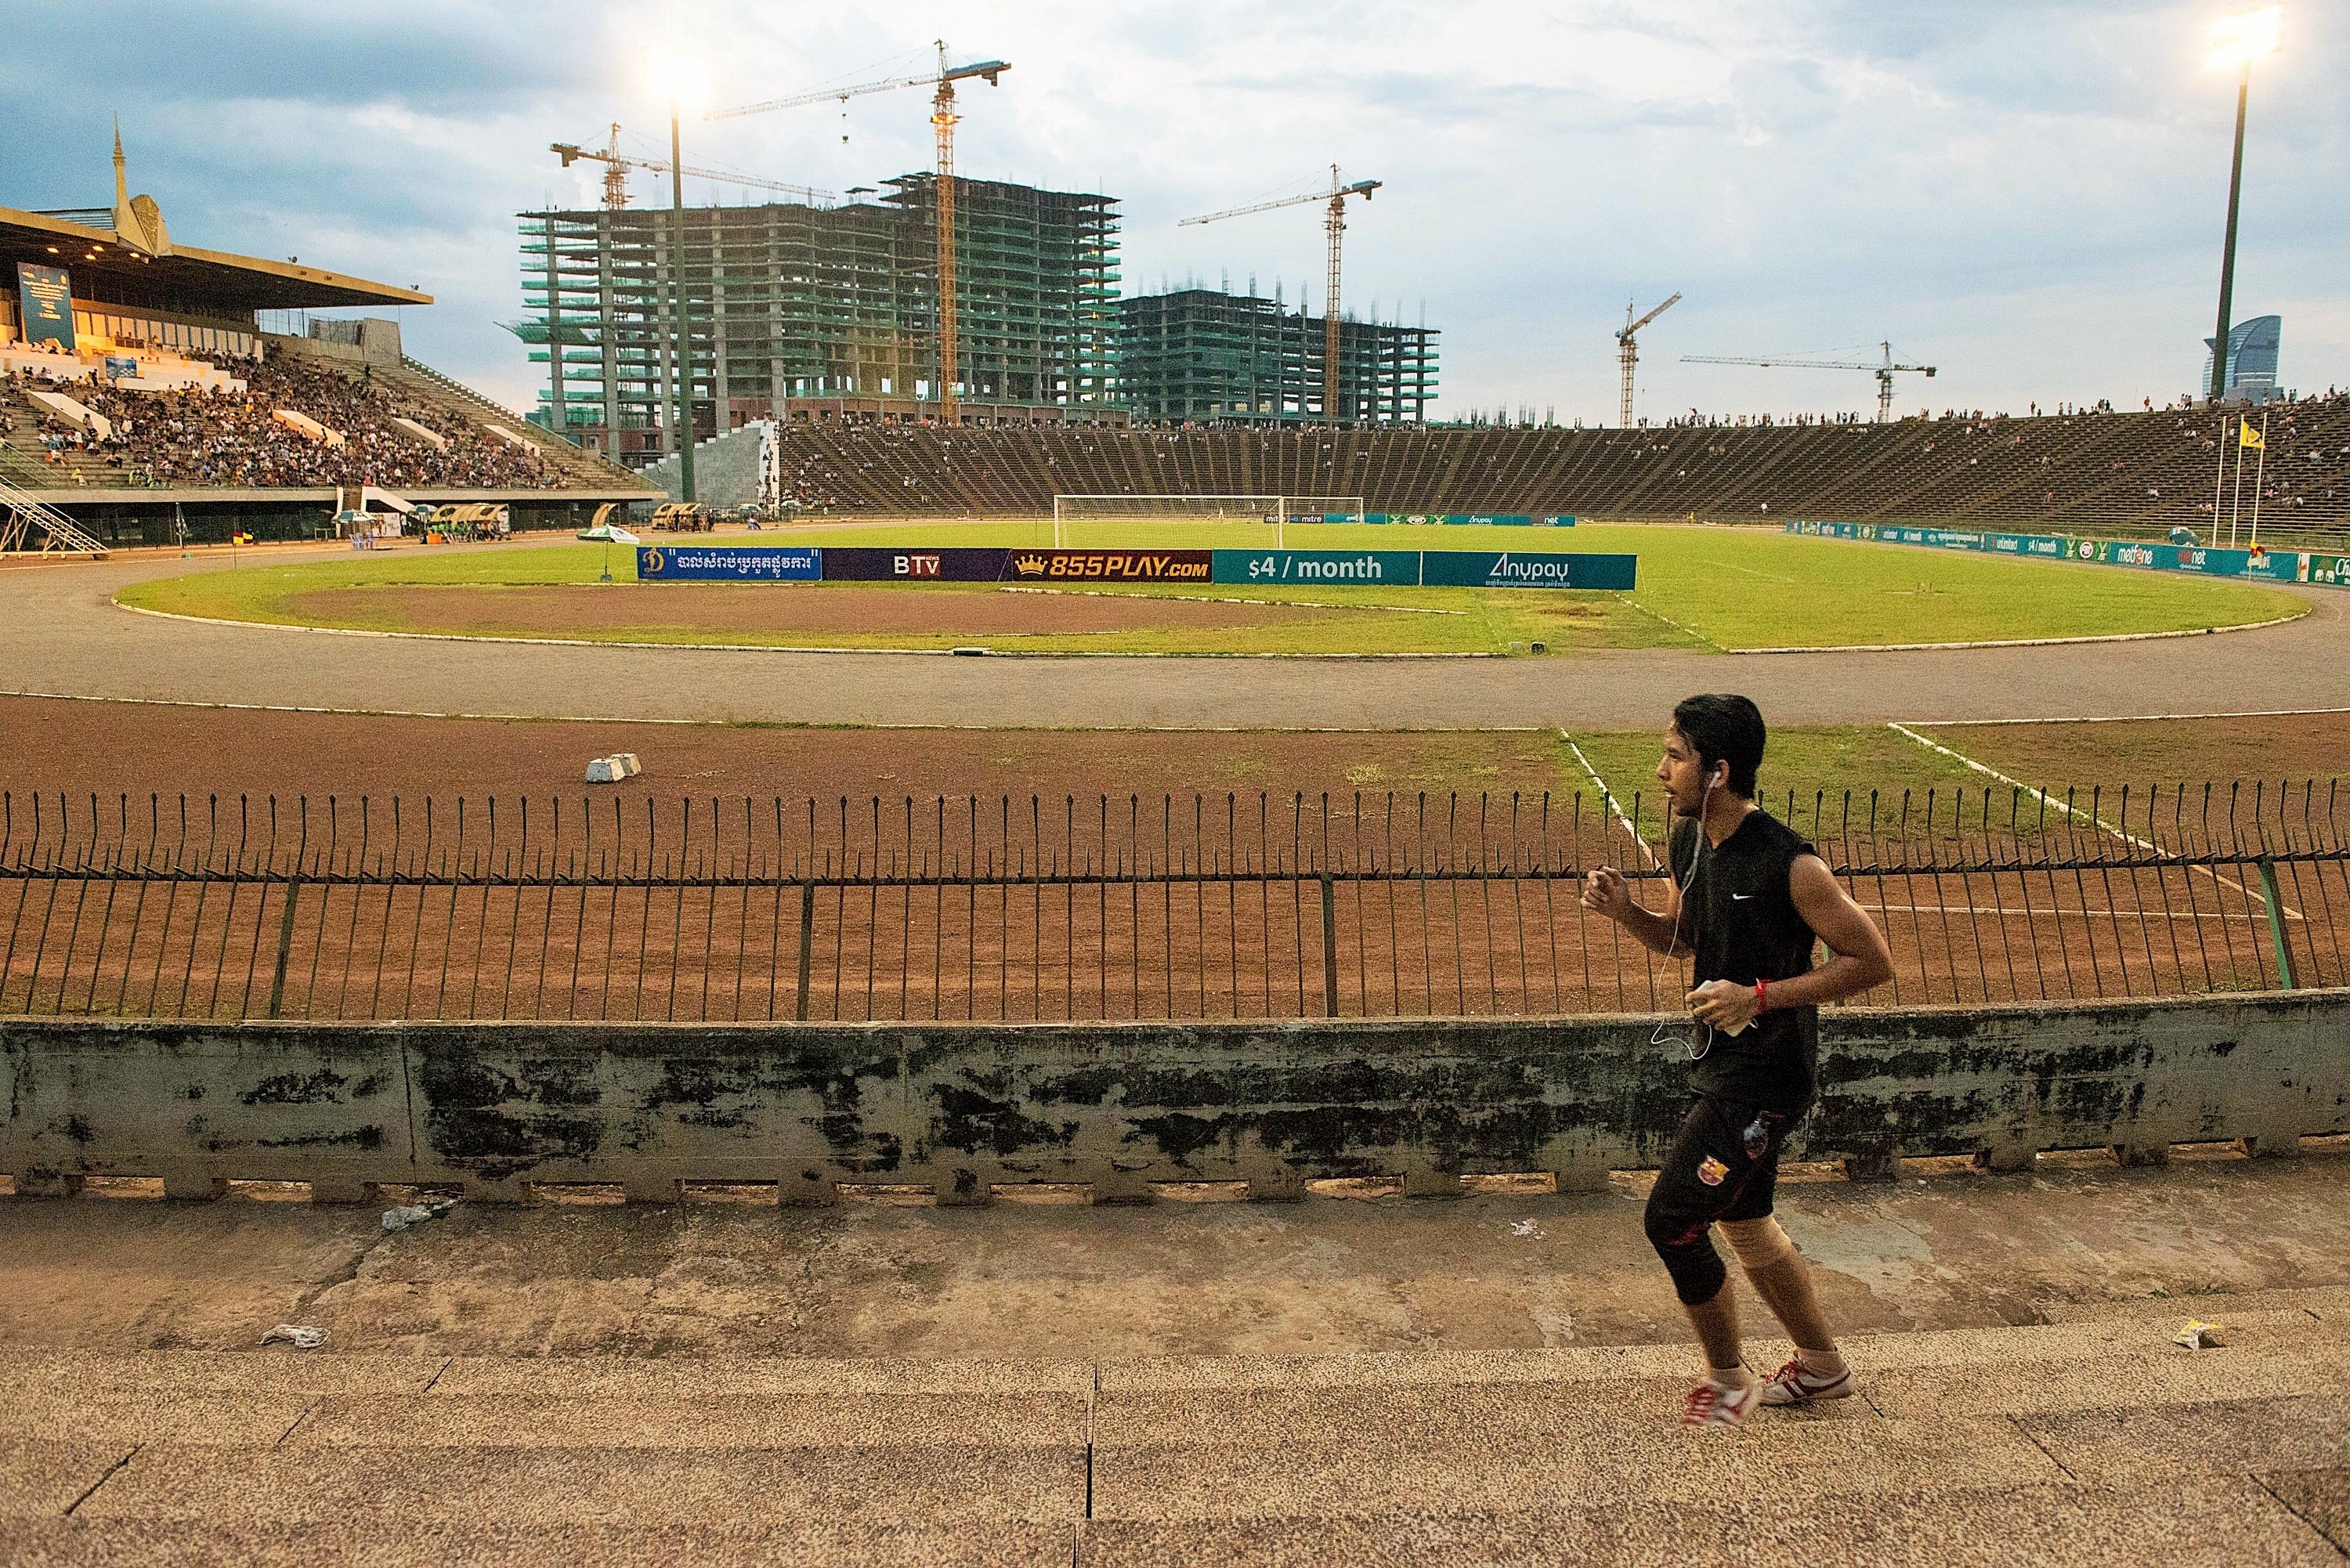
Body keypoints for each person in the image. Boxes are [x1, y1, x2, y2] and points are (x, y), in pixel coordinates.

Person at [1581, 694, 1895, 1429]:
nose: (1662, 771)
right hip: (1724, 1066)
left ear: (1718, 772)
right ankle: (1824, 1371)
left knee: (1673, 1222)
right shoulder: (1689, 842)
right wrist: (1625, 912)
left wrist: (1759, 996)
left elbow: (1871, 962)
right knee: (1747, 1219)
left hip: (1768, 1075)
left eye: (1675, 755)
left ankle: (1728, 1389)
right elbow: (1687, 941)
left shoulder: (1791, 863)